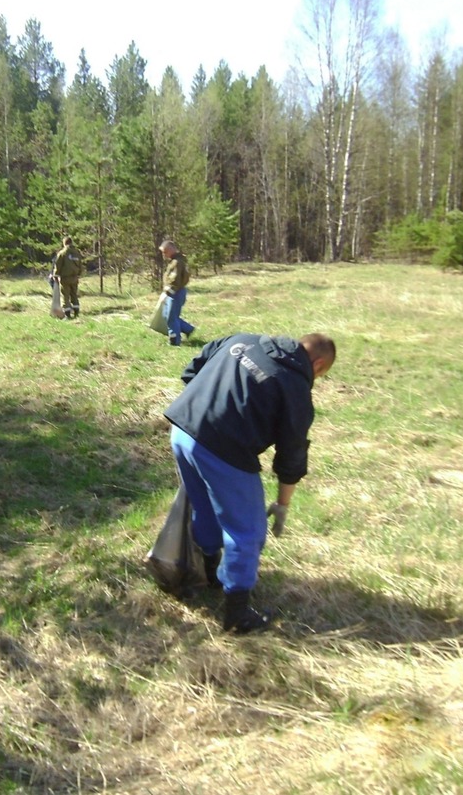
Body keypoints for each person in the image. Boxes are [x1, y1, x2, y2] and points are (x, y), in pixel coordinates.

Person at [163, 332, 336, 633]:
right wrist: (282, 504)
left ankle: (210, 575)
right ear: (318, 364)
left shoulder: (241, 339)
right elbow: (291, 457)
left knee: (204, 508)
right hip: (221, 448)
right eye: (321, 374)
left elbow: (193, 369)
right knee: (247, 531)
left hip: (182, 430)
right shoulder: (294, 387)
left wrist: (207, 411)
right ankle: (237, 616)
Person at [159, 239, 194, 345]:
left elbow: (175, 280)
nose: (164, 255)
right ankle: (188, 329)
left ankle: (174, 341)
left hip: (175, 293)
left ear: (171, 250)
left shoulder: (177, 262)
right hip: (174, 293)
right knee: (167, 315)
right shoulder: (175, 261)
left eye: (165, 252)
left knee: (171, 317)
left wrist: (168, 291)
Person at [52, 235, 83, 318]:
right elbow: (80, 265)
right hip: (75, 278)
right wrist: (79, 274)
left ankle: (67, 315)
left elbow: (58, 265)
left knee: (65, 296)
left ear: (64, 243)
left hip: (65, 278)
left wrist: (55, 275)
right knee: (74, 295)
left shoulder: (62, 253)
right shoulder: (77, 253)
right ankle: (76, 313)